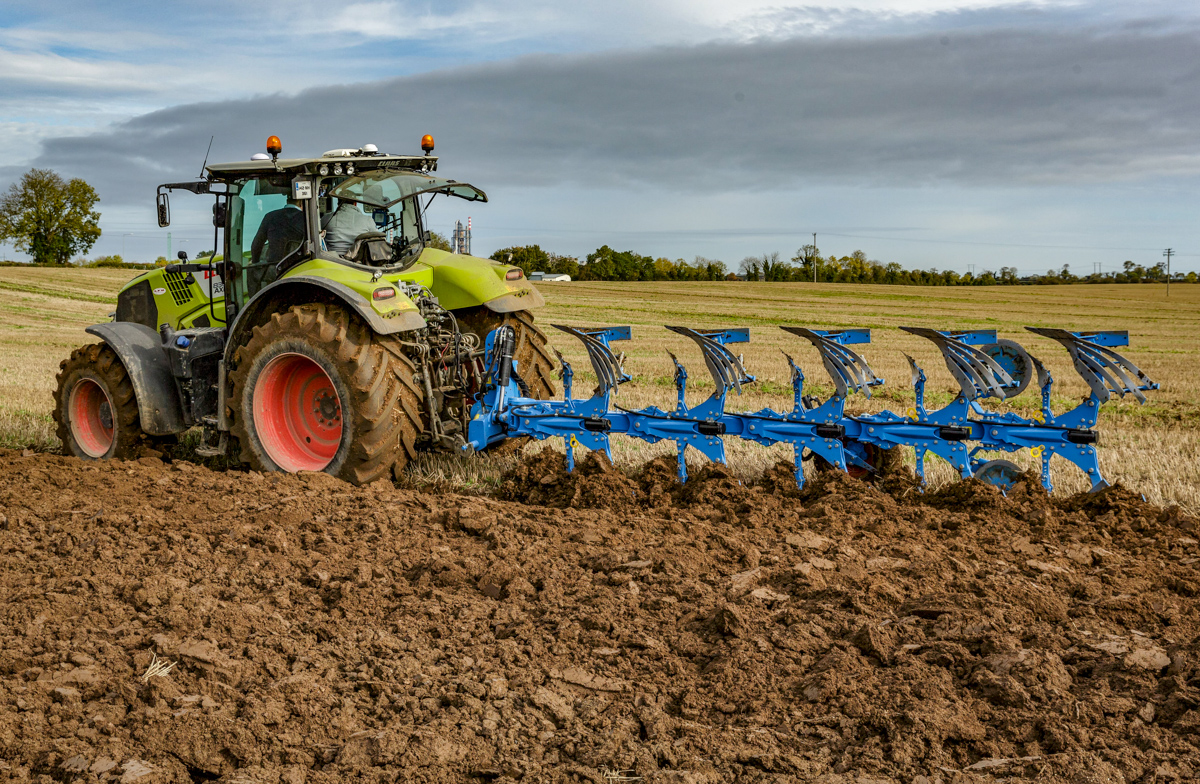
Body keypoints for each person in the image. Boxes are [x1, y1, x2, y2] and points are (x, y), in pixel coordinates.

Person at [250, 198, 307, 266]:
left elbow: (257, 244)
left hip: (275, 266)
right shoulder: (307, 218)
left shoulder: (270, 217)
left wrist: (255, 262)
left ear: (287, 201)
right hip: (300, 265)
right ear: (301, 203)